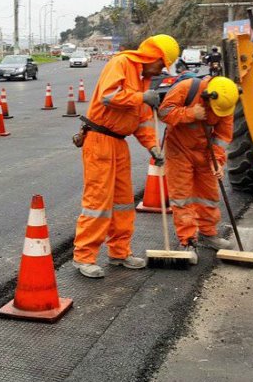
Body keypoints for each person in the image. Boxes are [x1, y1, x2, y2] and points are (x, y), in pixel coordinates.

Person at [72, 34, 180, 279]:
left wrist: (152, 146)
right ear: (152, 56)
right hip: (99, 140)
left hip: (119, 143)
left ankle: (119, 252)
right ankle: (84, 257)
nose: (162, 69)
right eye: (161, 63)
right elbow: (108, 97)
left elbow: (141, 119)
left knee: (123, 203)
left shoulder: (143, 79)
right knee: (97, 202)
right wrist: (141, 97)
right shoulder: (121, 64)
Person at [158, 75, 239, 255]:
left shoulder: (226, 103)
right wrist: (190, 113)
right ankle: (187, 240)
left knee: (208, 195)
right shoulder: (186, 88)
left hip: (205, 152)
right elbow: (163, 113)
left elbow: (223, 136)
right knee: (182, 196)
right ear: (209, 95)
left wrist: (217, 160)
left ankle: (207, 234)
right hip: (179, 150)